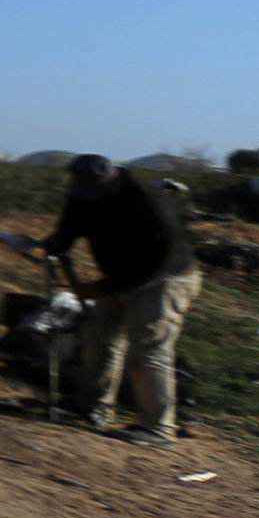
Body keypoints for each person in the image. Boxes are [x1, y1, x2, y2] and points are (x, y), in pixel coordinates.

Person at [42, 155, 201, 442]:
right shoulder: (83, 194)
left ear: (112, 179)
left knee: (149, 348)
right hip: (121, 276)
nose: (86, 195)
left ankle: (158, 427)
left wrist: (101, 288)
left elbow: (152, 262)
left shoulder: (147, 202)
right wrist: (55, 245)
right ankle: (94, 407)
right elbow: (69, 228)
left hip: (165, 277)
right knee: (99, 336)